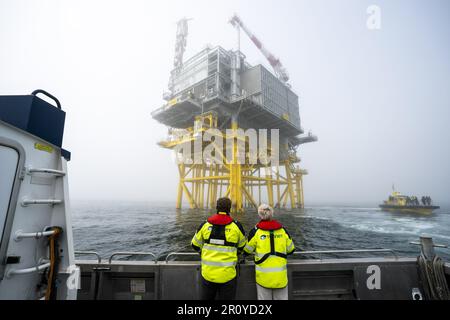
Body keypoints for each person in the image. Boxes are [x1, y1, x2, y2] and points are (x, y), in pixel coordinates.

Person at [191, 197, 246, 300]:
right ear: (229, 208)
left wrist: (203, 253)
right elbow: (243, 246)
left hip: (208, 274)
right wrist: (235, 253)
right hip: (228, 275)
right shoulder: (236, 226)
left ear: (216, 207)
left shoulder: (205, 224)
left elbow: (194, 245)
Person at [244, 204, 295, 300]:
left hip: (263, 278)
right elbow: (291, 249)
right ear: (272, 214)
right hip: (280, 278)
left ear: (260, 215)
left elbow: (247, 250)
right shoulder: (282, 230)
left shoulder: (256, 231)